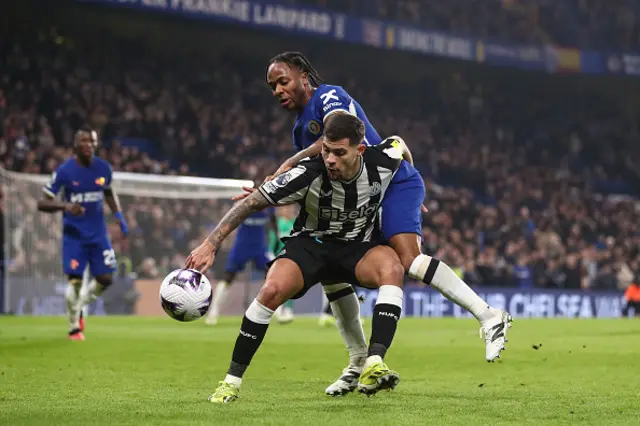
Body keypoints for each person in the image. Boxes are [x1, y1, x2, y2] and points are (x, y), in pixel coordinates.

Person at [256, 52, 512, 371]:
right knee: (331, 268)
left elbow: (343, 137)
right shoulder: (298, 132)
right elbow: (326, 175)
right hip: (362, 199)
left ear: (303, 78)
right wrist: (270, 194)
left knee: (410, 262)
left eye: (283, 81)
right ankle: (358, 360)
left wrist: (407, 185)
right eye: (272, 87)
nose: (278, 90)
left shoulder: (329, 96)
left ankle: (489, 316)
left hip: (389, 186)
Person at [187, 115, 406, 403]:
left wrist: (409, 194)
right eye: (327, 150)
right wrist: (210, 243)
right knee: (271, 290)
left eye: (340, 153)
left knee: (392, 268)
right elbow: (251, 203)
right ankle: (231, 382)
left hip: (356, 246)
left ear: (360, 151)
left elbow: (400, 145)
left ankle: (374, 362)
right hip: (310, 245)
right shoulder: (308, 172)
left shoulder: (382, 160)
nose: (330, 159)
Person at [37, 125, 128, 340]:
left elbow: (108, 192)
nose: (88, 145)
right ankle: (73, 328)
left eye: (92, 141)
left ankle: (77, 308)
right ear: (75, 146)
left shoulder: (104, 168)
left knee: (106, 278)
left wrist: (118, 215)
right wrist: (65, 206)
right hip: (74, 237)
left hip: (98, 235)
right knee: (75, 282)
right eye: (84, 141)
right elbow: (42, 203)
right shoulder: (65, 171)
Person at [204, 186, 278, 325]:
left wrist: (277, 237)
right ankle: (213, 313)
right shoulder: (243, 203)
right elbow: (229, 222)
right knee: (228, 277)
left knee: (273, 277)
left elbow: (273, 222)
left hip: (260, 247)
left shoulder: (269, 204)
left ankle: (279, 314)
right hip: (241, 246)